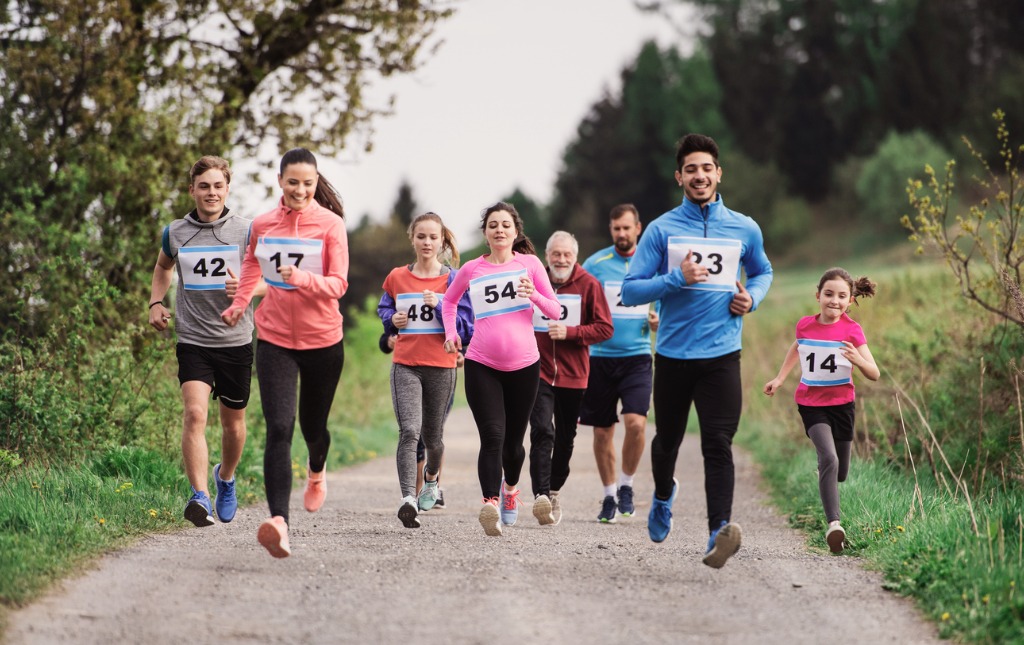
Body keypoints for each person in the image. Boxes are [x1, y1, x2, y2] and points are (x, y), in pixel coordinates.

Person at [621, 133, 773, 568]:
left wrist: (753, 298)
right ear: (679, 177)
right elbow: (631, 292)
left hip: (722, 354)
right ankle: (664, 495)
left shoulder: (744, 227)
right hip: (672, 356)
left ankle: (718, 531)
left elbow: (763, 270)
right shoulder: (662, 230)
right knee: (666, 440)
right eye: (691, 169)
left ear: (718, 173)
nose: (700, 175)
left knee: (718, 442)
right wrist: (675, 280)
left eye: (707, 168)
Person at [221, 148, 348, 558]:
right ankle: (280, 523)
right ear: (280, 181)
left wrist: (303, 279)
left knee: (314, 428)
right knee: (279, 426)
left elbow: (339, 284)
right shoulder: (263, 224)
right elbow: (251, 267)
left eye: (307, 183)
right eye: (292, 181)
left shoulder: (331, 226)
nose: (299, 189)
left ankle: (316, 470)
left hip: (323, 340)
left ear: (315, 184)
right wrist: (240, 304)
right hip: (275, 337)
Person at [148, 155, 265, 527]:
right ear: (192, 190)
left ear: (227, 189)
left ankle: (225, 478)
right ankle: (199, 497)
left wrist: (246, 289)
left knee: (233, 425)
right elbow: (164, 267)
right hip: (193, 339)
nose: (211, 192)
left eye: (217, 186)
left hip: (235, 341)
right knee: (195, 414)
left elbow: (269, 279)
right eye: (204, 186)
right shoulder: (176, 232)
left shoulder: (248, 231)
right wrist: (155, 302)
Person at [441, 201, 560, 537]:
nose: (499, 230)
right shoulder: (472, 269)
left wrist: (534, 294)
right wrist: (452, 335)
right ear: (485, 233)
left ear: (515, 231)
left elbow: (556, 311)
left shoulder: (531, 265)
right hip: (482, 363)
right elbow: (449, 302)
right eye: (493, 225)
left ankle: (510, 490)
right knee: (492, 436)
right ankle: (490, 503)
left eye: (505, 225)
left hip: (524, 364)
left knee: (513, 442)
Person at [763, 268, 879, 553]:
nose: (834, 301)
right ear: (818, 296)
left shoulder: (852, 330)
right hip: (811, 405)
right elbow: (798, 347)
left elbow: (874, 373)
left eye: (841, 296)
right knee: (828, 458)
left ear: (850, 300)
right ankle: (834, 525)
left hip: (842, 407)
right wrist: (780, 378)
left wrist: (857, 360)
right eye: (829, 294)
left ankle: (827, 473)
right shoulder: (804, 325)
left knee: (840, 471)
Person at [377, 212, 473, 528]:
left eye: (433, 237)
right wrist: (392, 320)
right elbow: (385, 307)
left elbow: (467, 327)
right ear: (413, 239)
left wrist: (442, 305)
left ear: (442, 240)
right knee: (409, 431)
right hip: (405, 364)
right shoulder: (396, 277)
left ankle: (431, 479)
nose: (427, 242)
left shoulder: (454, 279)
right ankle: (408, 498)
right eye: (421, 236)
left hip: (441, 366)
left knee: (433, 437)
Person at [580, 204, 660, 524]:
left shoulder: (652, 263)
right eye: (616, 229)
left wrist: (659, 321)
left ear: (638, 228)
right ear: (610, 230)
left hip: (638, 357)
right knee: (602, 433)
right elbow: (579, 301)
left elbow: (668, 300)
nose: (622, 234)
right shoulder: (594, 265)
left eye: (627, 228)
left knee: (636, 424)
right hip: (599, 359)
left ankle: (627, 484)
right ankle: (609, 494)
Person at [527, 231, 613, 525]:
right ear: (547, 256)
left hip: (574, 375)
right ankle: (540, 496)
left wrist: (571, 332)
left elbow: (604, 328)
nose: (561, 260)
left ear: (575, 258)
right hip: (537, 371)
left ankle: (553, 490)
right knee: (541, 431)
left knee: (565, 439)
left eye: (566, 255)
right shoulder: (534, 282)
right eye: (555, 254)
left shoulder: (589, 284)